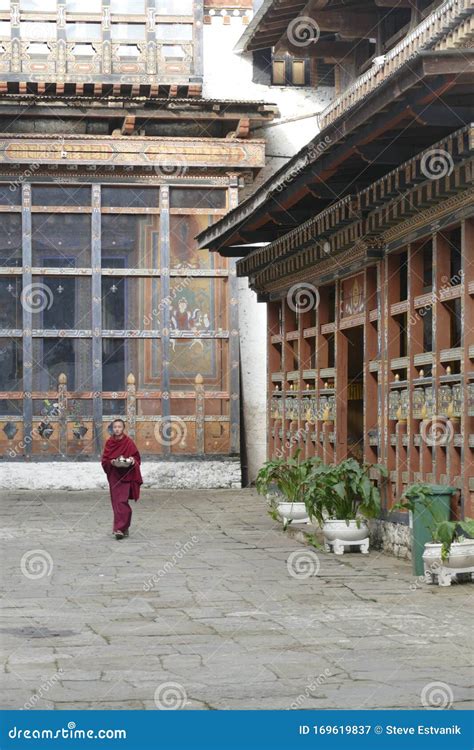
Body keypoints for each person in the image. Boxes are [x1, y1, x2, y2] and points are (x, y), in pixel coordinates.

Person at [101, 419, 143, 540]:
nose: (117, 429)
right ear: (112, 429)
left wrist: (132, 460)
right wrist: (112, 462)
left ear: (123, 428)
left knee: (122, 502)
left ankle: (121, 528)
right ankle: (121, 528)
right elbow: (105, 460)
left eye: (119, 427)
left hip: (126, 476)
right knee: (116, 502)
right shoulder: (110, 443)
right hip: (114, 476)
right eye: (115, 427)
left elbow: (136, 457)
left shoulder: (128, 442)